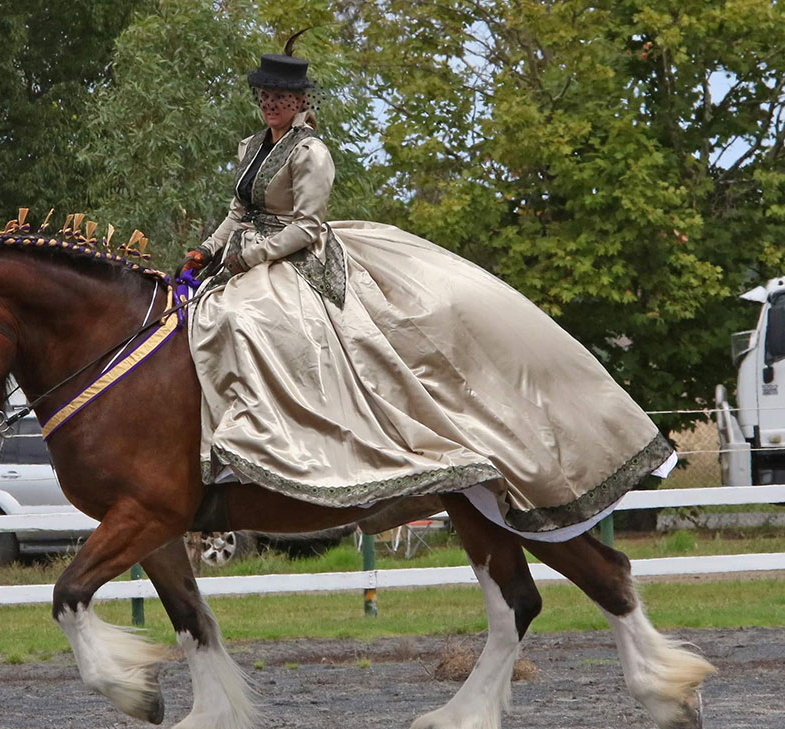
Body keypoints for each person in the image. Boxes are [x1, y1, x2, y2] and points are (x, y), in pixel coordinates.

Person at [181, 46, 675, 542]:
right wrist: (207, 249)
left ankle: (307, 435)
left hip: (293, 261)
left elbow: (308, 226)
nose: (271, 103)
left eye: (281, 97)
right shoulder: (252, 146)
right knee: (197, 319)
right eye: (265, 95)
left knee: (249, 324)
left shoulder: (310, 152)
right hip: (244, 259)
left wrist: (253, 257)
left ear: (299, 101)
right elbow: (238, 212)